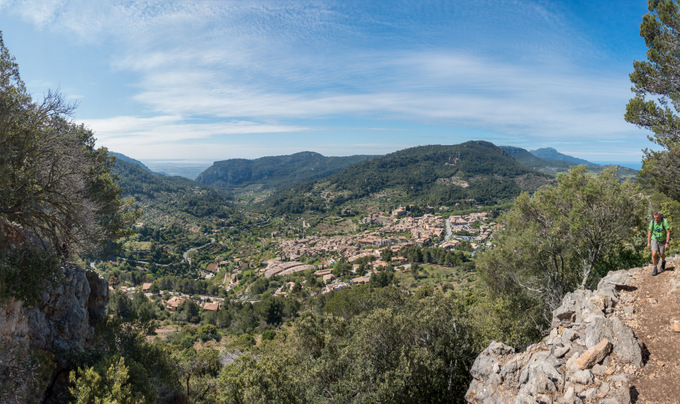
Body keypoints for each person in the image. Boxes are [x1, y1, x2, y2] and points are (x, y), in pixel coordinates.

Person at [647, 211, 671, 276]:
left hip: (662, 240)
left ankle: (663, 261)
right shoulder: (652, 222)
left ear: (660, 216)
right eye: (655, 218)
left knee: (661, 254)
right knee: (654, 254)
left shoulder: (664, 221)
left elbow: (668, 232)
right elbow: (649, 232)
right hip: (654, 239)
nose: (656, 219)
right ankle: (655, 268)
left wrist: (667, 242)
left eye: (657, 218)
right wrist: (648, 242)